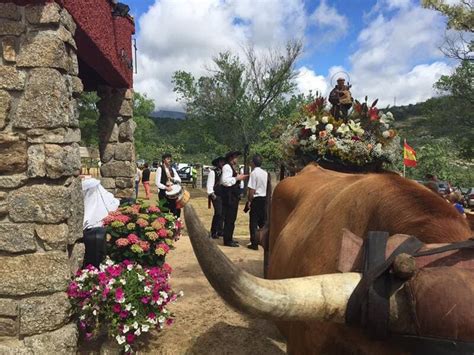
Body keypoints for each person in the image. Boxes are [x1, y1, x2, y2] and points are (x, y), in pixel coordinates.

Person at [221, 151, 248, 247]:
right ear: (231, 158)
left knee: (232, 218)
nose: (237, 159)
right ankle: (227, 240)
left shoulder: (231, 168)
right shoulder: (227, 167)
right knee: (229, 218)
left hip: (233, 197)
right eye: (236, 157)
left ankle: (229, 237)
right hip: (230, 197)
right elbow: (225, 181)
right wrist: (237, 178)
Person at [246, 154, 268, 250]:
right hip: (265, 199)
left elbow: (252, 190)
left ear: (253, 163)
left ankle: (254, 242)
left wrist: (249, 201)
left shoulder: (254, 173)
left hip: (257, 199)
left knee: (253, 221)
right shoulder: (265, 173)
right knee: (262, 221)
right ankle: (264, 239)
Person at [156, 153, 182, 217]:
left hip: (173, 193)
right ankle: (166, 225)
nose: (169, 160)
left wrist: (172, 178)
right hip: (163, 193)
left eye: (170, 159)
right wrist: (166, 188)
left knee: (176, 210)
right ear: (163, 160)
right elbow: (157, 183)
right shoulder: (160, 169)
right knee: (165, 211)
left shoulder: (172, 169)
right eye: (168, 159)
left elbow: (179, 179)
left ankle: (176, 225)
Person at [206, 156, 225, 239]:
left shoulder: (225, 172)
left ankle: (220, 230)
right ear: (217, 163)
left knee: (222, 214)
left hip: (223, 195)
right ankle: (213, 231)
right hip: (216, 195)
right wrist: (213, 196)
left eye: (223, 162)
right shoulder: (213, 172)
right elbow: (209, 185)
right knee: (218, 213)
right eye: (221, 162)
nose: (222, 163)